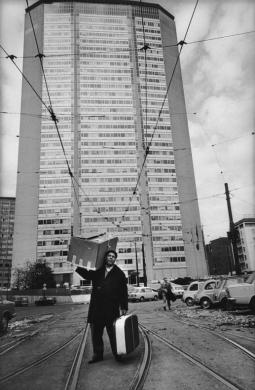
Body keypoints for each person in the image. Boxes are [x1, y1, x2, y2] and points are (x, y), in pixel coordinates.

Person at [75, 249, 128, 363]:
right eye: (109, 256)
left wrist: (124, 307)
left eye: (113, 256)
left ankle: (117, 354)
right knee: (96, 333)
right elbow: (88, 275)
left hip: (111, 309)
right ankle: (98, 355)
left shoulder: (119, 274)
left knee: (113, 333)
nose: (111, 258)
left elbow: (123, 291)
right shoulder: (98, 270)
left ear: (115, 259)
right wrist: (77, 266)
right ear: (105, 258)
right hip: (97, 308)